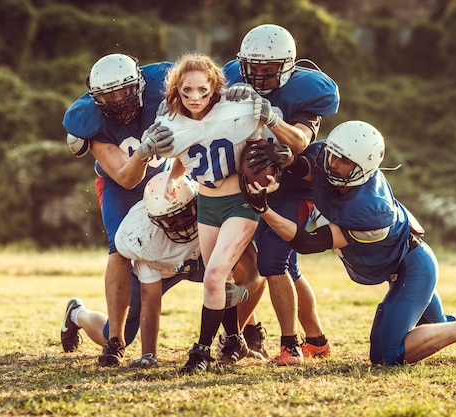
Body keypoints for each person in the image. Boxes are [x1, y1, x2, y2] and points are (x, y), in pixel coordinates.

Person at [241, 120, 456, 365]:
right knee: (435, 324)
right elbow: (313, 168)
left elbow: (306, 242)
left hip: (411, 268)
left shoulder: (369, 209)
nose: (333, 163)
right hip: (400, 263)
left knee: (387, 354)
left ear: (363, 167)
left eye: (344, 161)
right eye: (333, 155)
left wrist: (263, 208)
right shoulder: (332, 161)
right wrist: (290, 159)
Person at [222, 24, 340, 365]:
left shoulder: (307, 91)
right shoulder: (232, 76)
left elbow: (301, 140)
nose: (258, 75)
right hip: (250, 183)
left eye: (267, 69)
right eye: (253, 68)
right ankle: (315, 339)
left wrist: (271, 118)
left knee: (272, 263)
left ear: (286, 66)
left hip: (291, 187)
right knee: (287, 266)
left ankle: (289, 345)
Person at [60, 171, 251, 367]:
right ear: (155, 220)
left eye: (185, 214)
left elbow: (240, 275)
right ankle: (77, 314)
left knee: (228, 273)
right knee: (112, 334)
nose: (182, 225)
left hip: (200, 263)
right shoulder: (143, 238)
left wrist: (240, 326)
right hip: (162, 269)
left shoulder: (210, 214)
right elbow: (150, 300)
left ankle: (238, 337)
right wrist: (148, 355)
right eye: (172, 221)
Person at [150, 52, 264, 374]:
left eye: (202, 90)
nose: (194, 97)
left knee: (213, 276)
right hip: (207, 203)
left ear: (214, 86)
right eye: (186, 91)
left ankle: (200, 353)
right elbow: (188, 147)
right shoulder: (175, 120)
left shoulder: (233, 111)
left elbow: (258, 134)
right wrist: (173, 176)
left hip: (239, 203)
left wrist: (252, 99)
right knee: (222, 277)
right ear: (177, 90)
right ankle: (233, 340)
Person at [62, 53, 175, 366]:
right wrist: (144, 150)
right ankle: (98, 331)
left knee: (209, 238)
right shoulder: (91, 121)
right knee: (121, 248)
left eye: (122, 92)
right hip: (121, 187)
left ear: (138, 86)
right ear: (96, 99)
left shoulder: (164, 90)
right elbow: (126, 179)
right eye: (107, 96)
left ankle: (236, 333)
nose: (116, 101)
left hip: (169, 179)